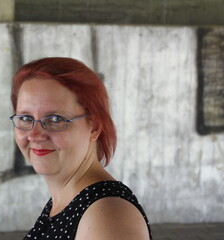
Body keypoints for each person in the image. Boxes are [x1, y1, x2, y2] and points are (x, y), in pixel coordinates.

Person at [10, 57, 152, 240]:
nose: (35, 135)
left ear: (94, 127)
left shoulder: (107, 216)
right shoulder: (67, 202)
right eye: (26, 118)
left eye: (55, 119)